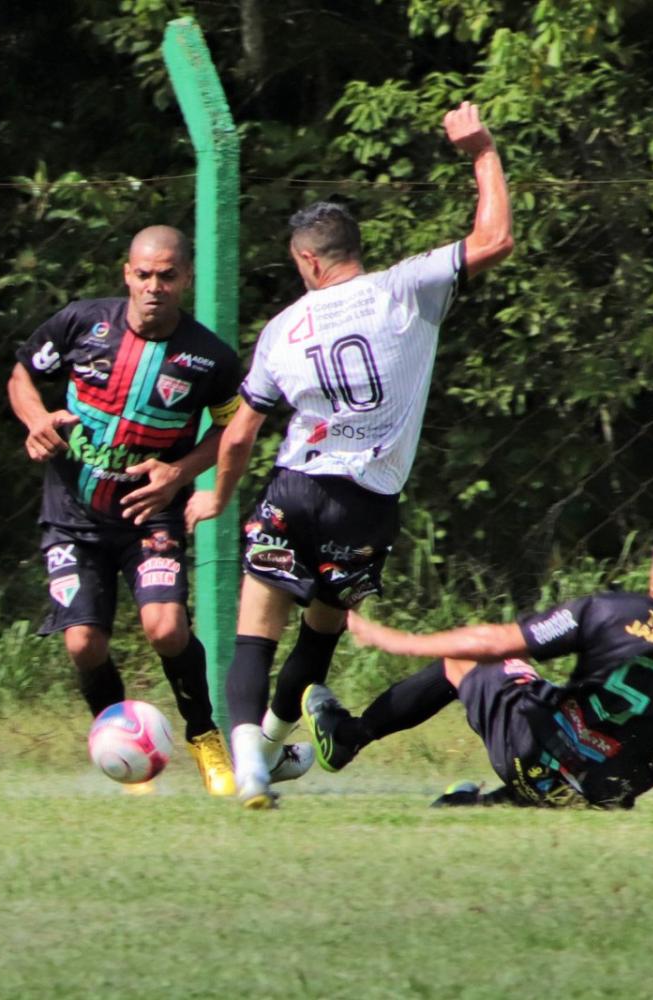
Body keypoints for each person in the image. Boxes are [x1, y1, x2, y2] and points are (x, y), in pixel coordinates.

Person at [186, 101, 515, 809]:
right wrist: (482, 150)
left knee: (256, 631)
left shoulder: (283, 328)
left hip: (293, 487)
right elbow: (494, 238)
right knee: (322, 631)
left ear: (307, 260)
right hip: (362, 505)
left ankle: (253, 763)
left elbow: (241, 433)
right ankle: (271, 749)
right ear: (353, 248)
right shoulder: (406, 289)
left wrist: (215, 496)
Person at [303, 526, 653, 811]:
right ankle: (486, 805)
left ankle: (350, 736)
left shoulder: (609, 611)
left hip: (533, 754)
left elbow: (495, 643)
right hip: (603, 796)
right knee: (554, 697)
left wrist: (399, 639)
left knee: (469, 658)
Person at [8, 225, 243, 796]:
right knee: (83, 644)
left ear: (186, 278)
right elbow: (21, 376)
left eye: (167, 276)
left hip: (149, 514)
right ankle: (120, 741)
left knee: (165, 628)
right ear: (126, 274)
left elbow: (235, 427)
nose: (153, 287)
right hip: (73, 514)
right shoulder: (82, 323)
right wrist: (37, 421)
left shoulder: (209, 357)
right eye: (143, 275)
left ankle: (204, 736)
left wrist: (179, 473)